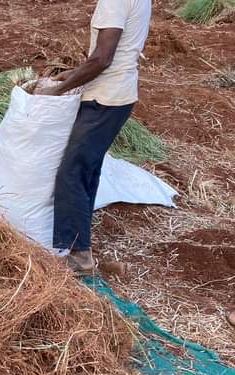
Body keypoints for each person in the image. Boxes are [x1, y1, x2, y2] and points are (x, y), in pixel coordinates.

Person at [36, 0, 152, 273]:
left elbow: (103, 58)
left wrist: (58, 89)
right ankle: (81, 243)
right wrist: (74, 73)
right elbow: (116, 51)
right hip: (120, 95)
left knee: (72, 172)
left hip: (105, 99)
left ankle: (79, 256)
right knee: (88, 170)